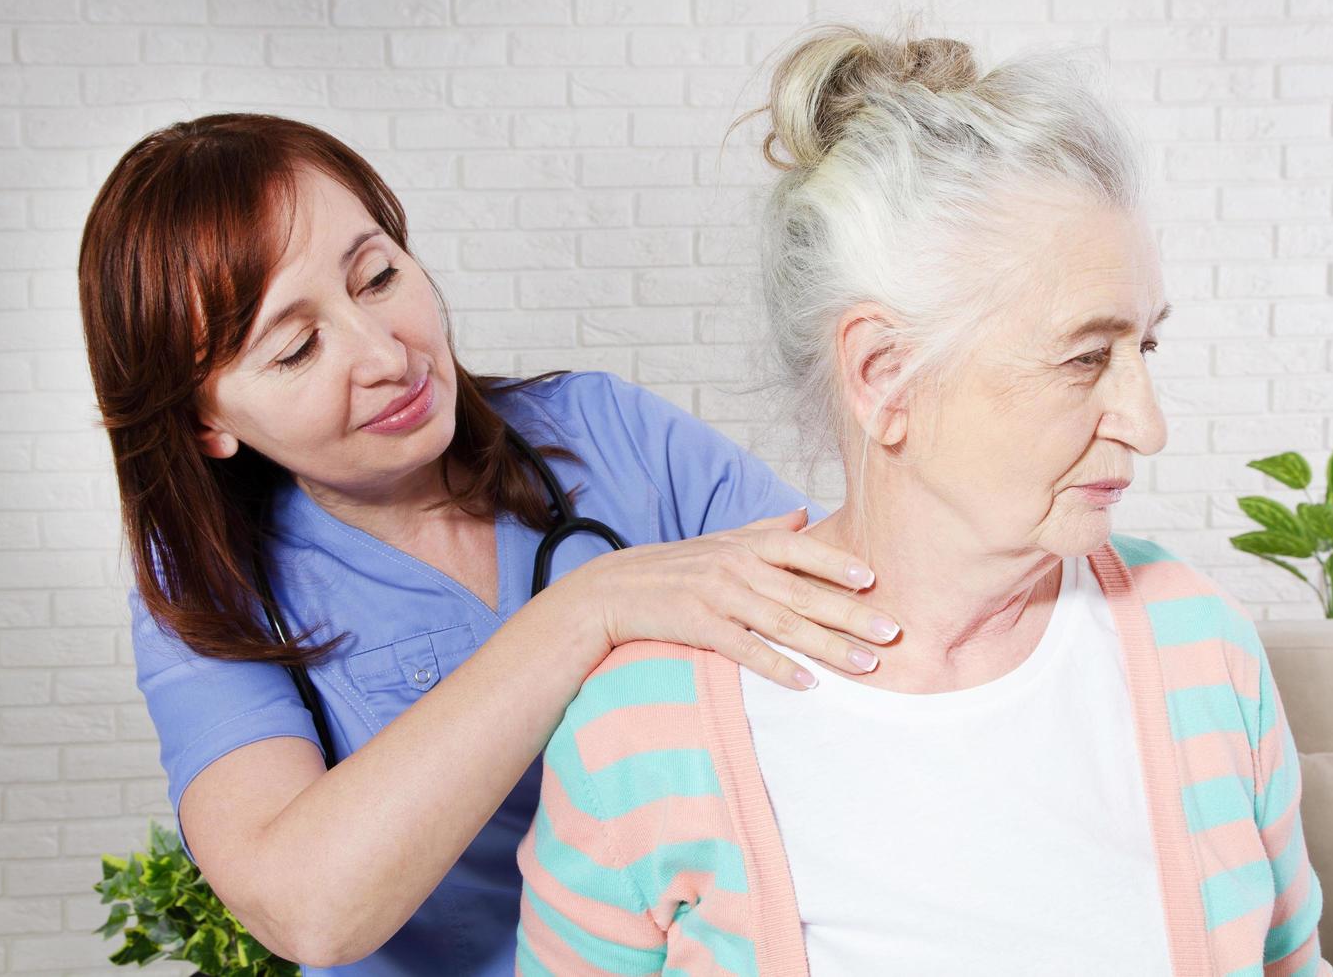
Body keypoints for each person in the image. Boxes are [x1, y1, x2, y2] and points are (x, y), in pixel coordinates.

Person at [516, 26, 1333, 976]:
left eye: (1142, 348)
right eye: (1085, 357)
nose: (1146, 425)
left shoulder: (1201, 647)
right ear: (885, 376)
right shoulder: (644, 726)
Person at [77, 113, 905, 974]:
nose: (384, 355)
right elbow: (306, 910)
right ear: (206, 419)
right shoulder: (210, 595)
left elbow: (862, 619)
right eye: (296, 349)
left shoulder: (606, 435)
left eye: (377, 276)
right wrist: (588, 610)